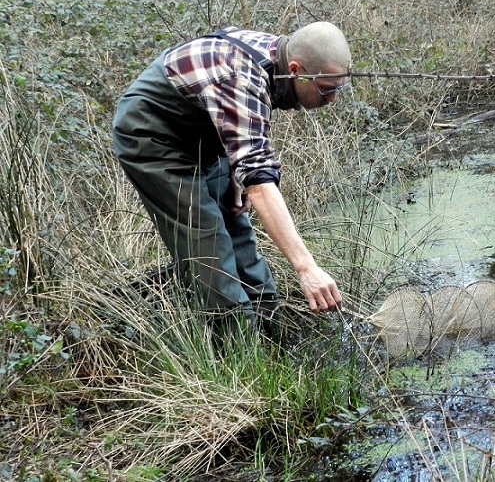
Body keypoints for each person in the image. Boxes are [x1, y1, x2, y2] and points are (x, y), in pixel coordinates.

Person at [111, 21, 351, 339]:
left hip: (201, 135)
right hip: (153, 136)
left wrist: (239, 171)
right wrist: (306, 269)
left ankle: (273, 346)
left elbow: (243, 134)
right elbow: (261, 182)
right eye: (327, 89)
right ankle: (242, 368)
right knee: (209, 253)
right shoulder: (242, 76)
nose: (332, 99)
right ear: (297, 70)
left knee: (240, 242)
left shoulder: (274, 61)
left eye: (338, 89)